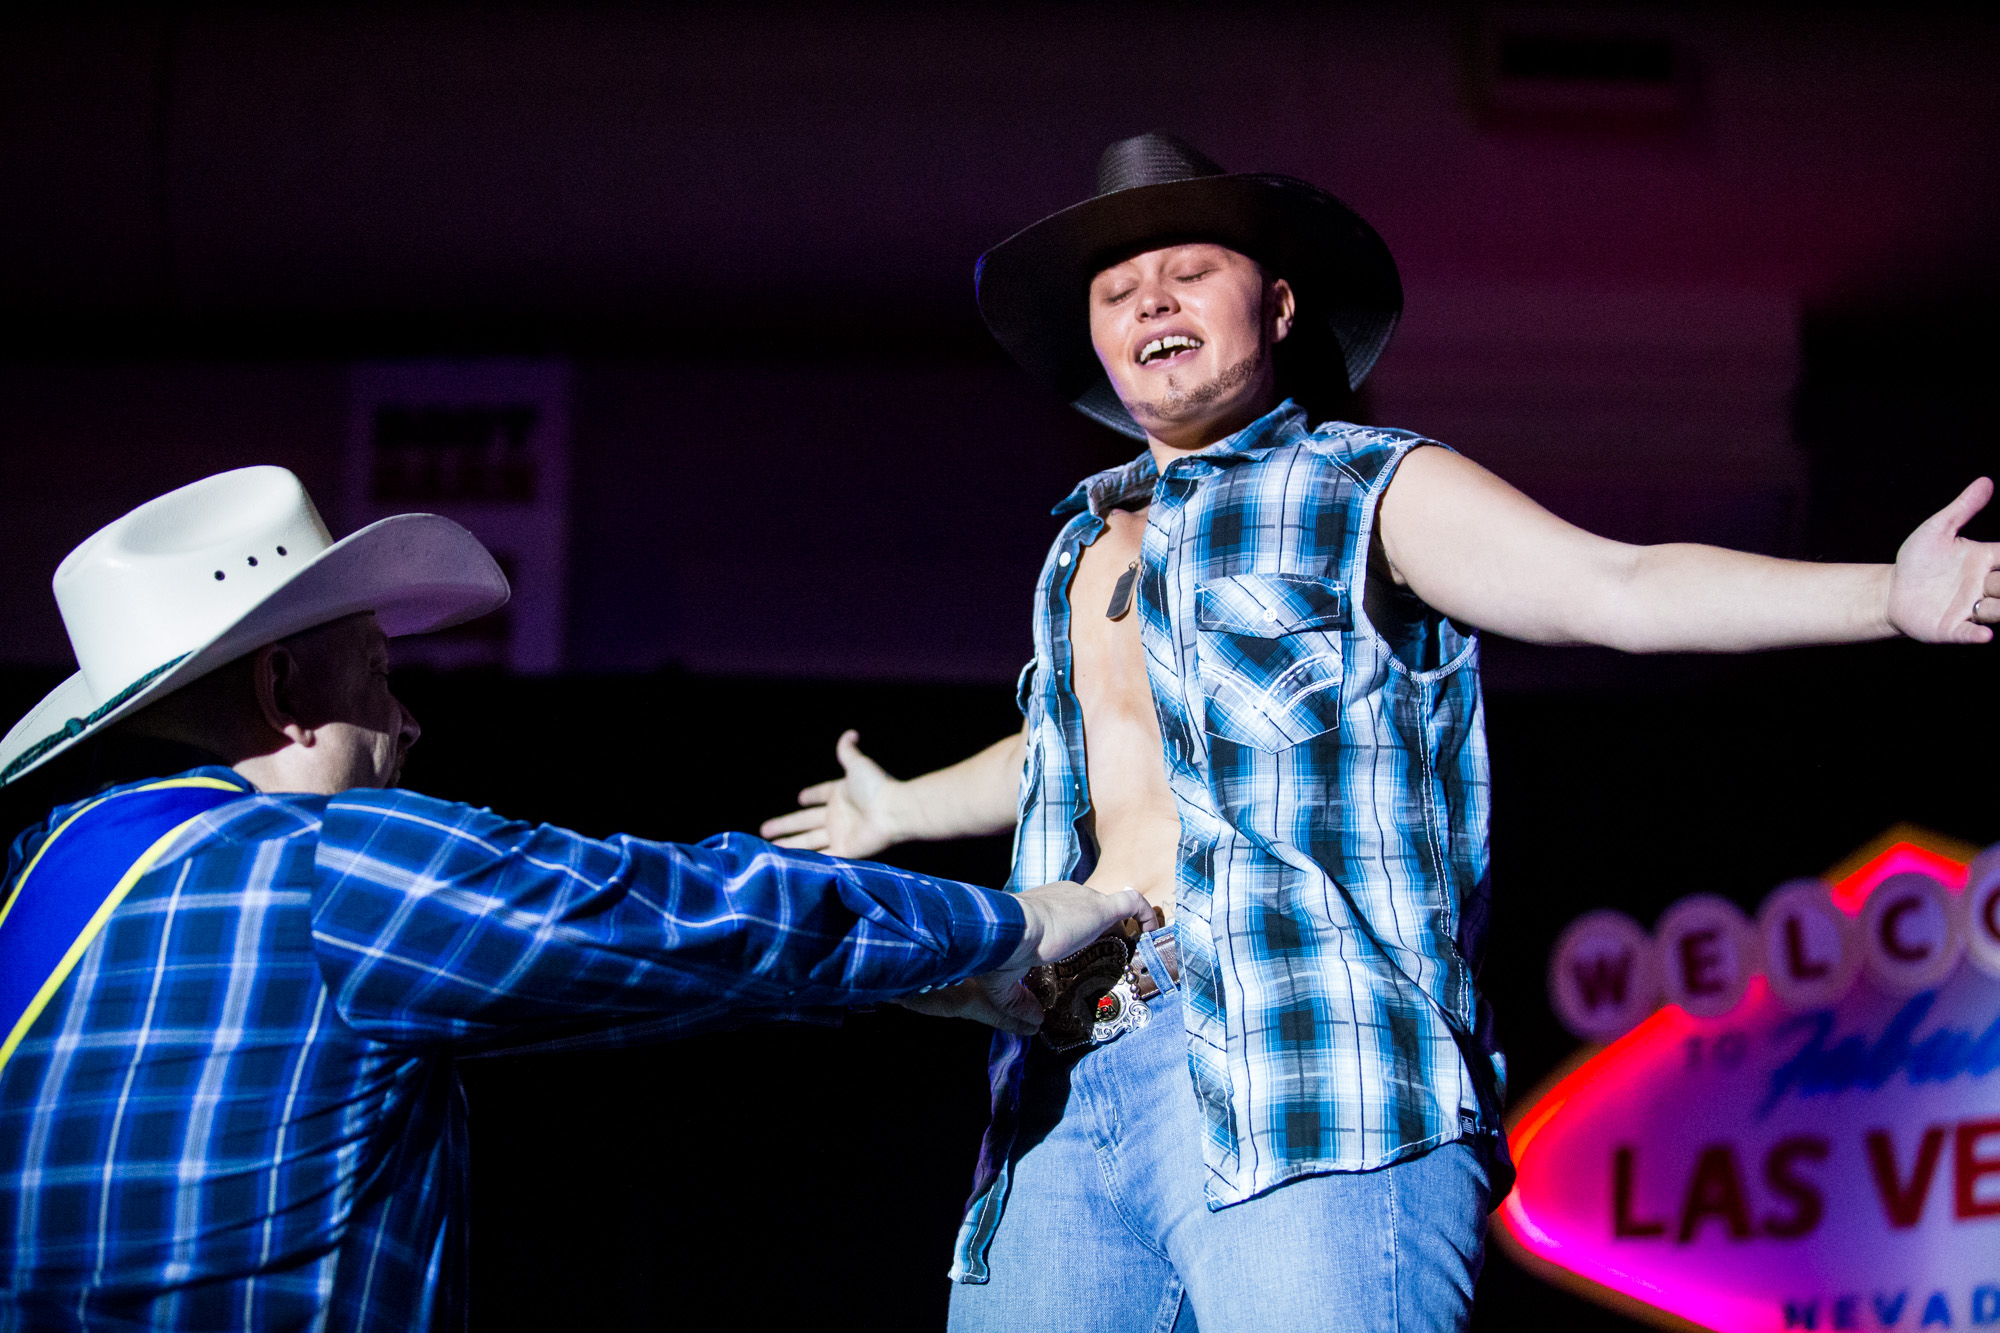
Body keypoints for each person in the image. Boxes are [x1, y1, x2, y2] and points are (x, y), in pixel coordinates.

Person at [759, 133, 2000, 1331]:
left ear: (1280, 305)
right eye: (1118, 289)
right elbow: (1075, 747)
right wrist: (903, 807)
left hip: (1314, 1077)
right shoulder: (1078, 548)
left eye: (1188, 270)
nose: (1151, 301)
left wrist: (1880, 596)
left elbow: (1609, 587)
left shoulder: (1362, 484)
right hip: (1066, 1086)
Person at [0, 466, 1145, 1332]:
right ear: (285, 686)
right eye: (378, 676)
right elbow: (666, 916)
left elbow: (560, 994)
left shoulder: (34, 881)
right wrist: (1013, 922)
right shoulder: (325, 868)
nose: (406, 724)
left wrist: (908, 980)